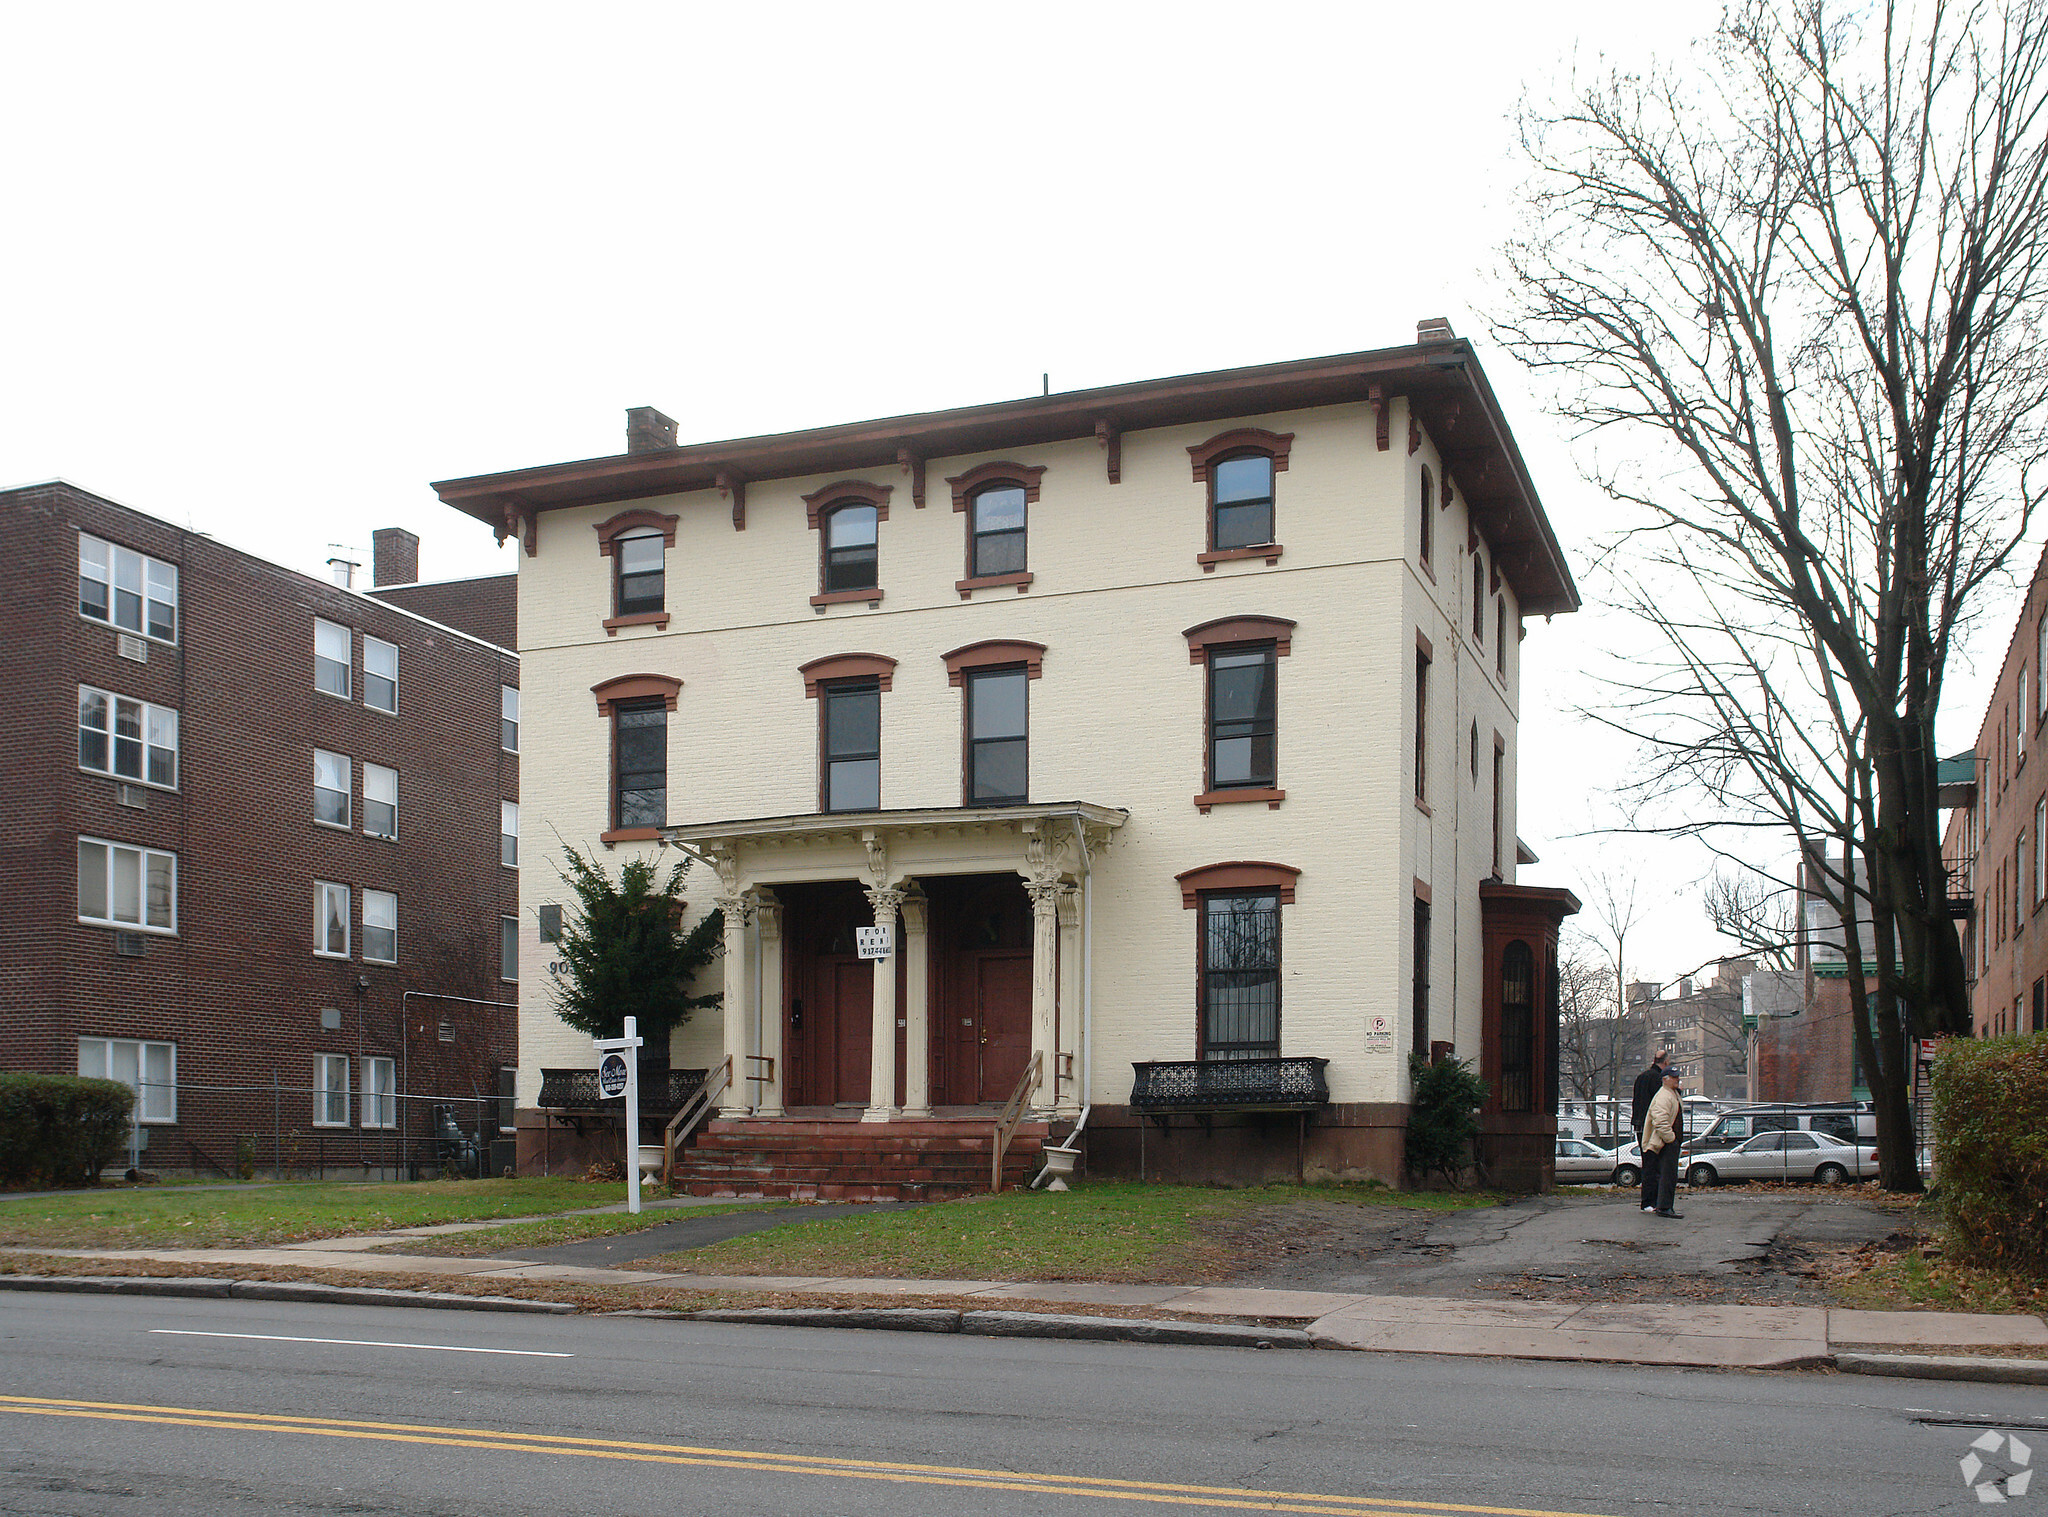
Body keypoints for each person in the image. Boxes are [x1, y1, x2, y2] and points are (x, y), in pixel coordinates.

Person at [1641, 1068, 1686, 1218]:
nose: (1677, 1079)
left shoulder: (1672, 1094)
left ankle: (1665, 1206)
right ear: (1665, 1079)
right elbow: (1660, 1121)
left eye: (1677, 1076)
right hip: (1666, 1142)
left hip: (1669, 1141)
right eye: (1673, 1077)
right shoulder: (1663, 1096)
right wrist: (1671, 1139)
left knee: (1669, 1175)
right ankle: (1664, 1207)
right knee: (1667, 1175)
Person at [1632, 1049, 1669, 1212]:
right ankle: (1650, 1201)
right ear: (1665, 1062)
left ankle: (1647, 1201)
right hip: (1652, 1127)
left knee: (1647, 1163)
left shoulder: (1641, 1077)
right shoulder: (1659, 1080)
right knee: (1654, 1165)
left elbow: (1636, 1102)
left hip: (1639, 1126)